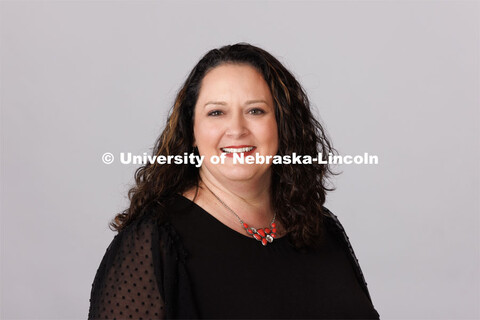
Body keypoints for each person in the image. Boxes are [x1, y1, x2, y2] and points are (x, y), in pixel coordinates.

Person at [88, 43, 380, 319]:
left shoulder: (321, 228)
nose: (237, 129)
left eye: (256, 111)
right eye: (217, 112)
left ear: (283, 124)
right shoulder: (153, 243)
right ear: (191, 131)